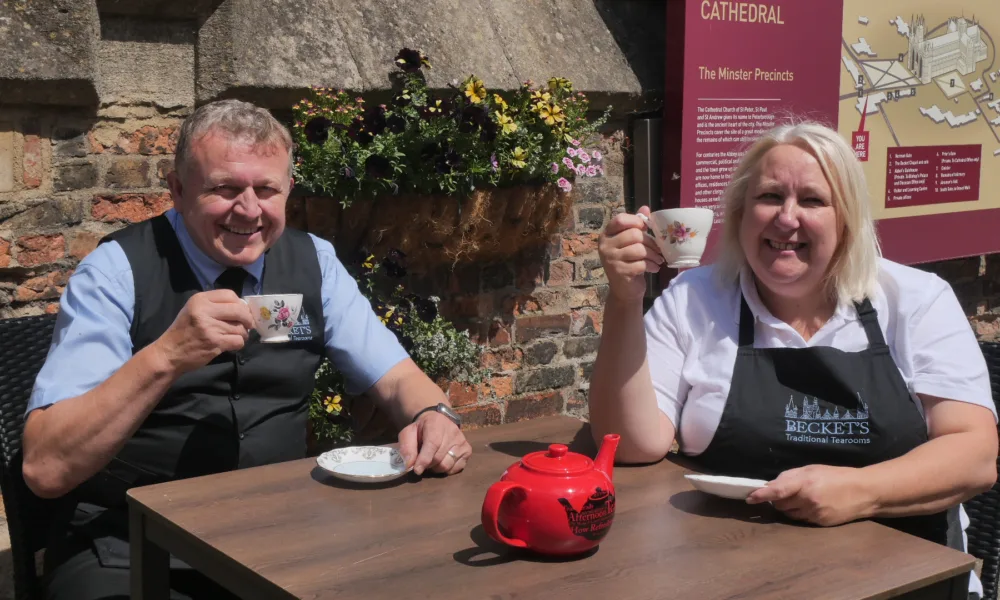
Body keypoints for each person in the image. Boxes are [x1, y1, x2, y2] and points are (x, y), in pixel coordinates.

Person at [22, 99, 471, 600]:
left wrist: (435, 415)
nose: (249, 210)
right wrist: (165, 356)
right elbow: (45, 468)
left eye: (266, 189)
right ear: (176, 189)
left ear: (289, 192)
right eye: (226, 188)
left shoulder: (314, 264)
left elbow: (397, 378)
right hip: (127, 543)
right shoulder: (115, 272)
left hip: (280, 533)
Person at [589, 121, 998, 596]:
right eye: (769, 197)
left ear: (846, 218)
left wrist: (859, 493)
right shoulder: (694, 299)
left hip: (907, 581)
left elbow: (974, 455)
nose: (786, 219)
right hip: (730, 574)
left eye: (811, 200)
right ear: (741, 214)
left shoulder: (915, 299)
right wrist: (623, 300)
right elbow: (633, 444)